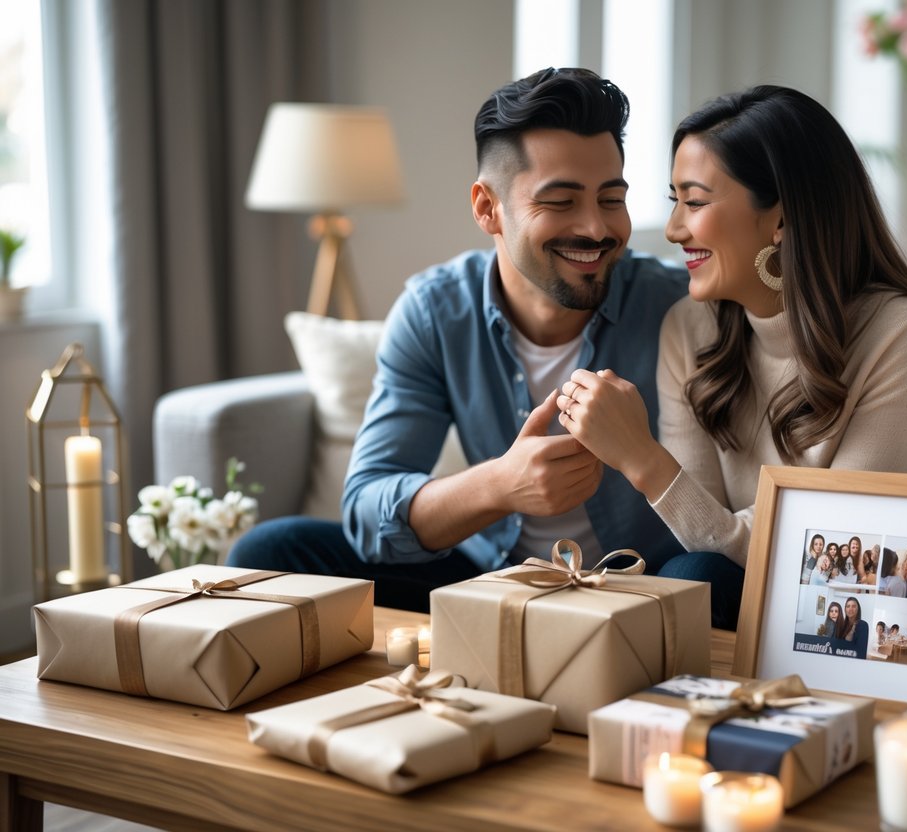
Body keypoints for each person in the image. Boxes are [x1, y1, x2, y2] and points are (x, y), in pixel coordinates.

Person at [227, 68, 688, 610]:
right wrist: (499, 485)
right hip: (491, 583)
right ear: (486, 208)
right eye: (561, 202)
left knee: (709, 573)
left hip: (650, 585)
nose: (595, 228)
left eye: (611, 199)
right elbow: (366, 508)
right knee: (272, 550)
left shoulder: (676, 305)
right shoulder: (434, 312)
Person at [554, 85, 907, 629]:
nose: (673, 229)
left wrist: (641, 459)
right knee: (693, 571)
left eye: (694, 201)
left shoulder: (898, 331)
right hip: (737, 577)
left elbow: (834, 554)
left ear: (779, 220)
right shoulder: (688, 329)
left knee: (695, 577)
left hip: (854, 602)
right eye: (674, 201)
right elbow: (702, 531)